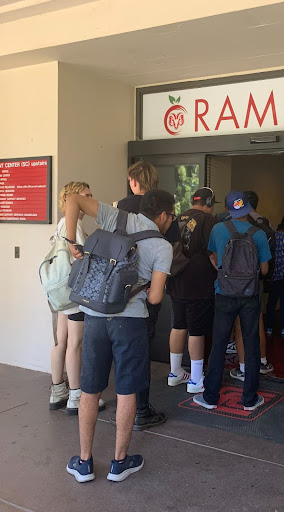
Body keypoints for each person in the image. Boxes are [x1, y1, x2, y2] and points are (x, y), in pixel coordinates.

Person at [64, 189, 174, 483]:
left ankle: (84, 463)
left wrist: (72, 242)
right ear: (163, 215)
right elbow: (154, 298)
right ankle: (119, 463)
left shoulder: (115, 217)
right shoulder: (162, 247)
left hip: (96, 317)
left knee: (90, 389)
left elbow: (72, 199)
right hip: (131, 322)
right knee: (127, 390)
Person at [193, 191, 271, 411]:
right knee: (250, 343)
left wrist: (223, 271)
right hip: (250, 296)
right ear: (247, 209)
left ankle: (210, 397)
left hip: (224, 293)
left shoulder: (218, 229)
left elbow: (213, 256)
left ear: (228, 209)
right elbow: (264, 269)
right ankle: (249, 399)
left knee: (218, 344)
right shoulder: (258, 233)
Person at [115, 161, 166, 431]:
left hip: (119, 289)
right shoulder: (162, 208)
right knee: (141, 350)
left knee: (122, 349)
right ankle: (141, 409)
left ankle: (124, 402)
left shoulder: (121, 207)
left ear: (134, 181)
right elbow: (172, 250)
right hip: (147, 290)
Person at [49, 182, 106, 415]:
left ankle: (57, 390)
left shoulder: (60, 225)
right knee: (76, 343)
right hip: (75, 292)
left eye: (92, 195)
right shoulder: (75, 226)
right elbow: (82, 258)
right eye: (86, 196)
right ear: (72, 199)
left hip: (59, 291)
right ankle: (76, 394)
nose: (90, 199)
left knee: (60, 341)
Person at [166, 187, 217, 393]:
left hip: (176, 280)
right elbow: (213, 254)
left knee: (179, 325)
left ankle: (175, 372)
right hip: (198, 282)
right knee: (197, 329)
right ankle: (196, 379)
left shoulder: (175, 219)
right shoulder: (208, 220)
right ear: (209, 202)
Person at [229, 190, 274, 382]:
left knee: (239, 324)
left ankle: (244, 367)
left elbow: (214, 256)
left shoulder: (224, 227)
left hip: (230, 283)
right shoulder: (264, 226)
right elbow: (265, 267)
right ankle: (262, 362)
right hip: (255, 282)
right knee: (258, 321)